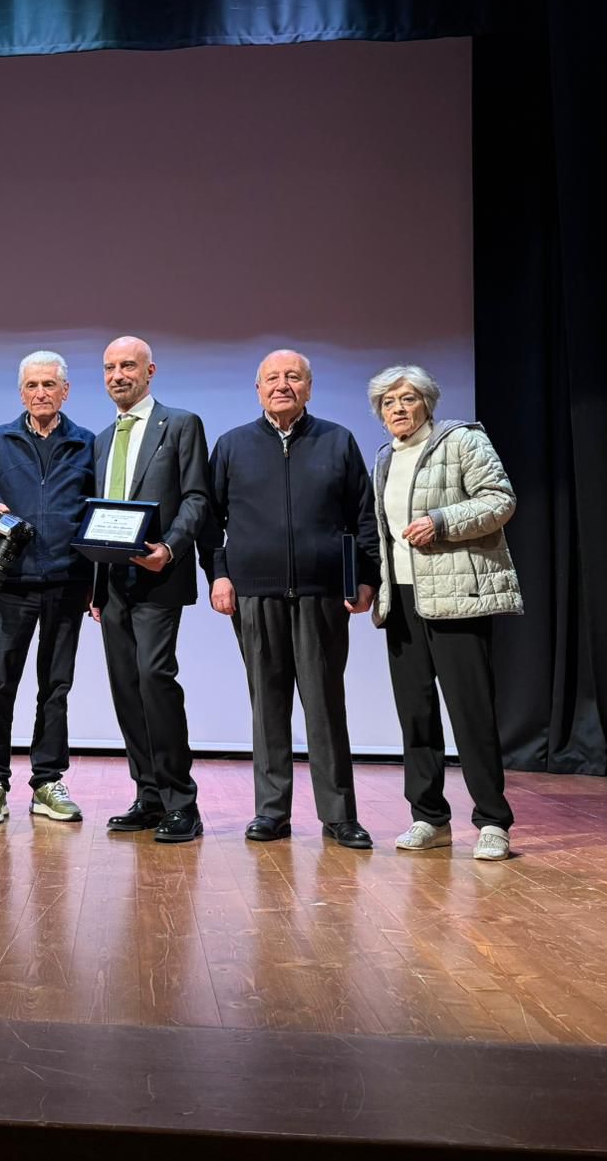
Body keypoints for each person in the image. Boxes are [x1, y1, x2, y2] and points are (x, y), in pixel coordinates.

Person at [202, 349, 379, 850]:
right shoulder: (233, 445)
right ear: (257, 389)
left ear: (309, 387)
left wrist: (366, 577)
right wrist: (219, 574)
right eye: (273, 378)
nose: (283, 385)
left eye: (293, 377)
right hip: (254, 596)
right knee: (268, 706)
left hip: (323, 596)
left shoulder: (337, 441)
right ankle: (272, 811)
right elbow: (211, 523)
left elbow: (363, 517)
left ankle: (340, 816)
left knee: (326, 705)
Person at [367, 365, 522, 861]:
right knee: (416, 715)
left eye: (407, 398)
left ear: (427, 403)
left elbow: (500, 501)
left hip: (456, 598)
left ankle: (493, 821)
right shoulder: (384, 459)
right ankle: (429, 817)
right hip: (403, 602)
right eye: (388, 402)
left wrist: (440, 521)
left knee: (470, 712)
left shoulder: (463, 442)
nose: (397, 408)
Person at [0, 351, 96, 826]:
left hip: (68, 583)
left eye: (49, 385)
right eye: (33, 386)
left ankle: (47, 781)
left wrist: (96, 585)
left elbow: (98, 516)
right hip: (12, 584)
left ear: (65, 391)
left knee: (55, 687)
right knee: (0, 684)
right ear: (21, 393)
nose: (41, 393)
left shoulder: (86, 445)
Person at [91, 337, 211, 843]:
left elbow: (198, 497)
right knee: (125, 688)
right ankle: (149, 795)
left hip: (159, 575)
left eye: (128, 366)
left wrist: (172, 548)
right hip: (114, 582)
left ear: (150, 371)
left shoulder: (180, 424)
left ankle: (182, 800)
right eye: (109, 367)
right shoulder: (101, 439)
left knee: (154, 677)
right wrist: (96, 588)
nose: (118, 375)